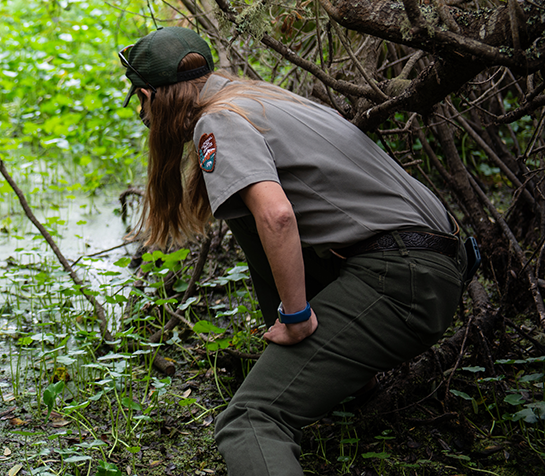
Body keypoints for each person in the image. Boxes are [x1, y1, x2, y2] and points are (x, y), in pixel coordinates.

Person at [118, 27, 467, 475]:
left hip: (400, 277)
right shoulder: (263, 97)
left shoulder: (217, 120)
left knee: (248, 423)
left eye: (140, 104)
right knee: (245, 221)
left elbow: (278, 216)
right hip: (434, 264)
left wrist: (298, 318)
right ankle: (349, 383)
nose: (144, 116)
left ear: (149, 95)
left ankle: (313, 359)